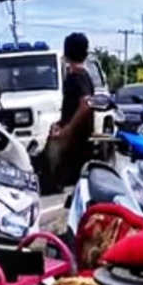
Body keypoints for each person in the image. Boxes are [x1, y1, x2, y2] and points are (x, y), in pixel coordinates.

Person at [50, 32, 95, 183]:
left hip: (77, 139)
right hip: (77, 137)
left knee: (76, 180)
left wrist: (68, 128)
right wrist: (60, 123)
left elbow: (85, 104)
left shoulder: (78, 76)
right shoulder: (80, 75)